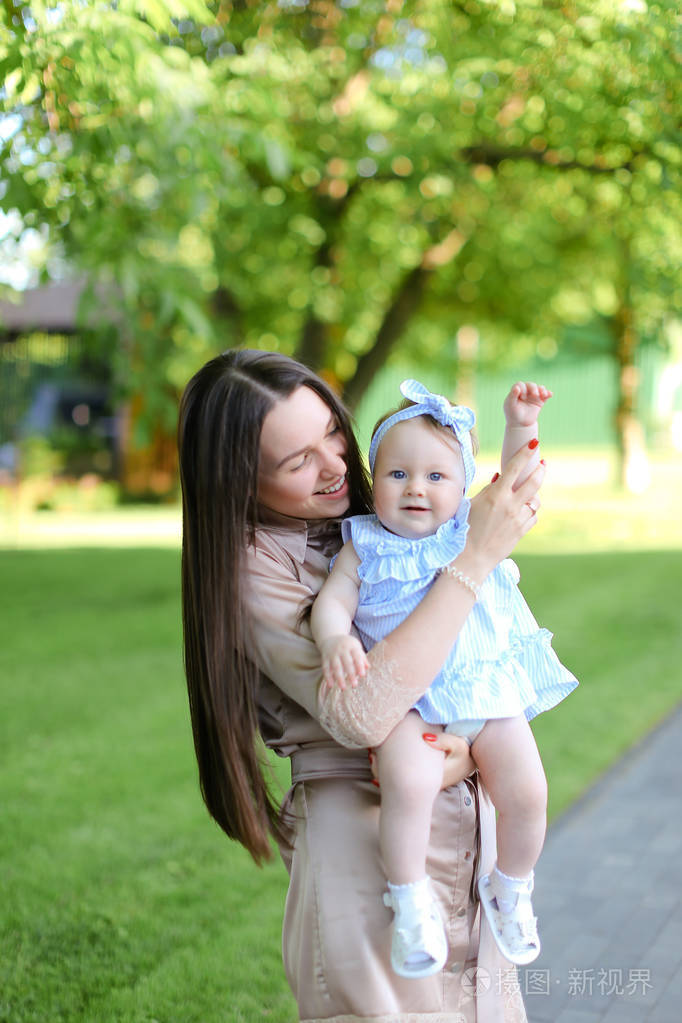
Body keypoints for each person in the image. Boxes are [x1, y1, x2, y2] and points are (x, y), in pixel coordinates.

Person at [178, 349, 546, 1023]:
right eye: (298, 460)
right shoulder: (252, 570)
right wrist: (474, 561)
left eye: (333, 433)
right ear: (238, 479)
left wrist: (518, 430)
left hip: (463, 825)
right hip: (364, 839)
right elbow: (363, 717)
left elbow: (508, 492)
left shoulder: (388, 516)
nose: (336, 465)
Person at [311, 379, 577, 975]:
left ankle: (512, 885)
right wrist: (335, 638)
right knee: (406, 784)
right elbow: (332, 601)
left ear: (461, 487)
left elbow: (520, 481)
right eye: (397, 474)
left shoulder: (467, 530)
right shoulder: (363, 544)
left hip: (484, 690)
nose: (415, 489)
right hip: (409, 702)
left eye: (436, 477)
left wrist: (520, 423)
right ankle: (410, 903)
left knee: (528, 792)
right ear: (372, 481)